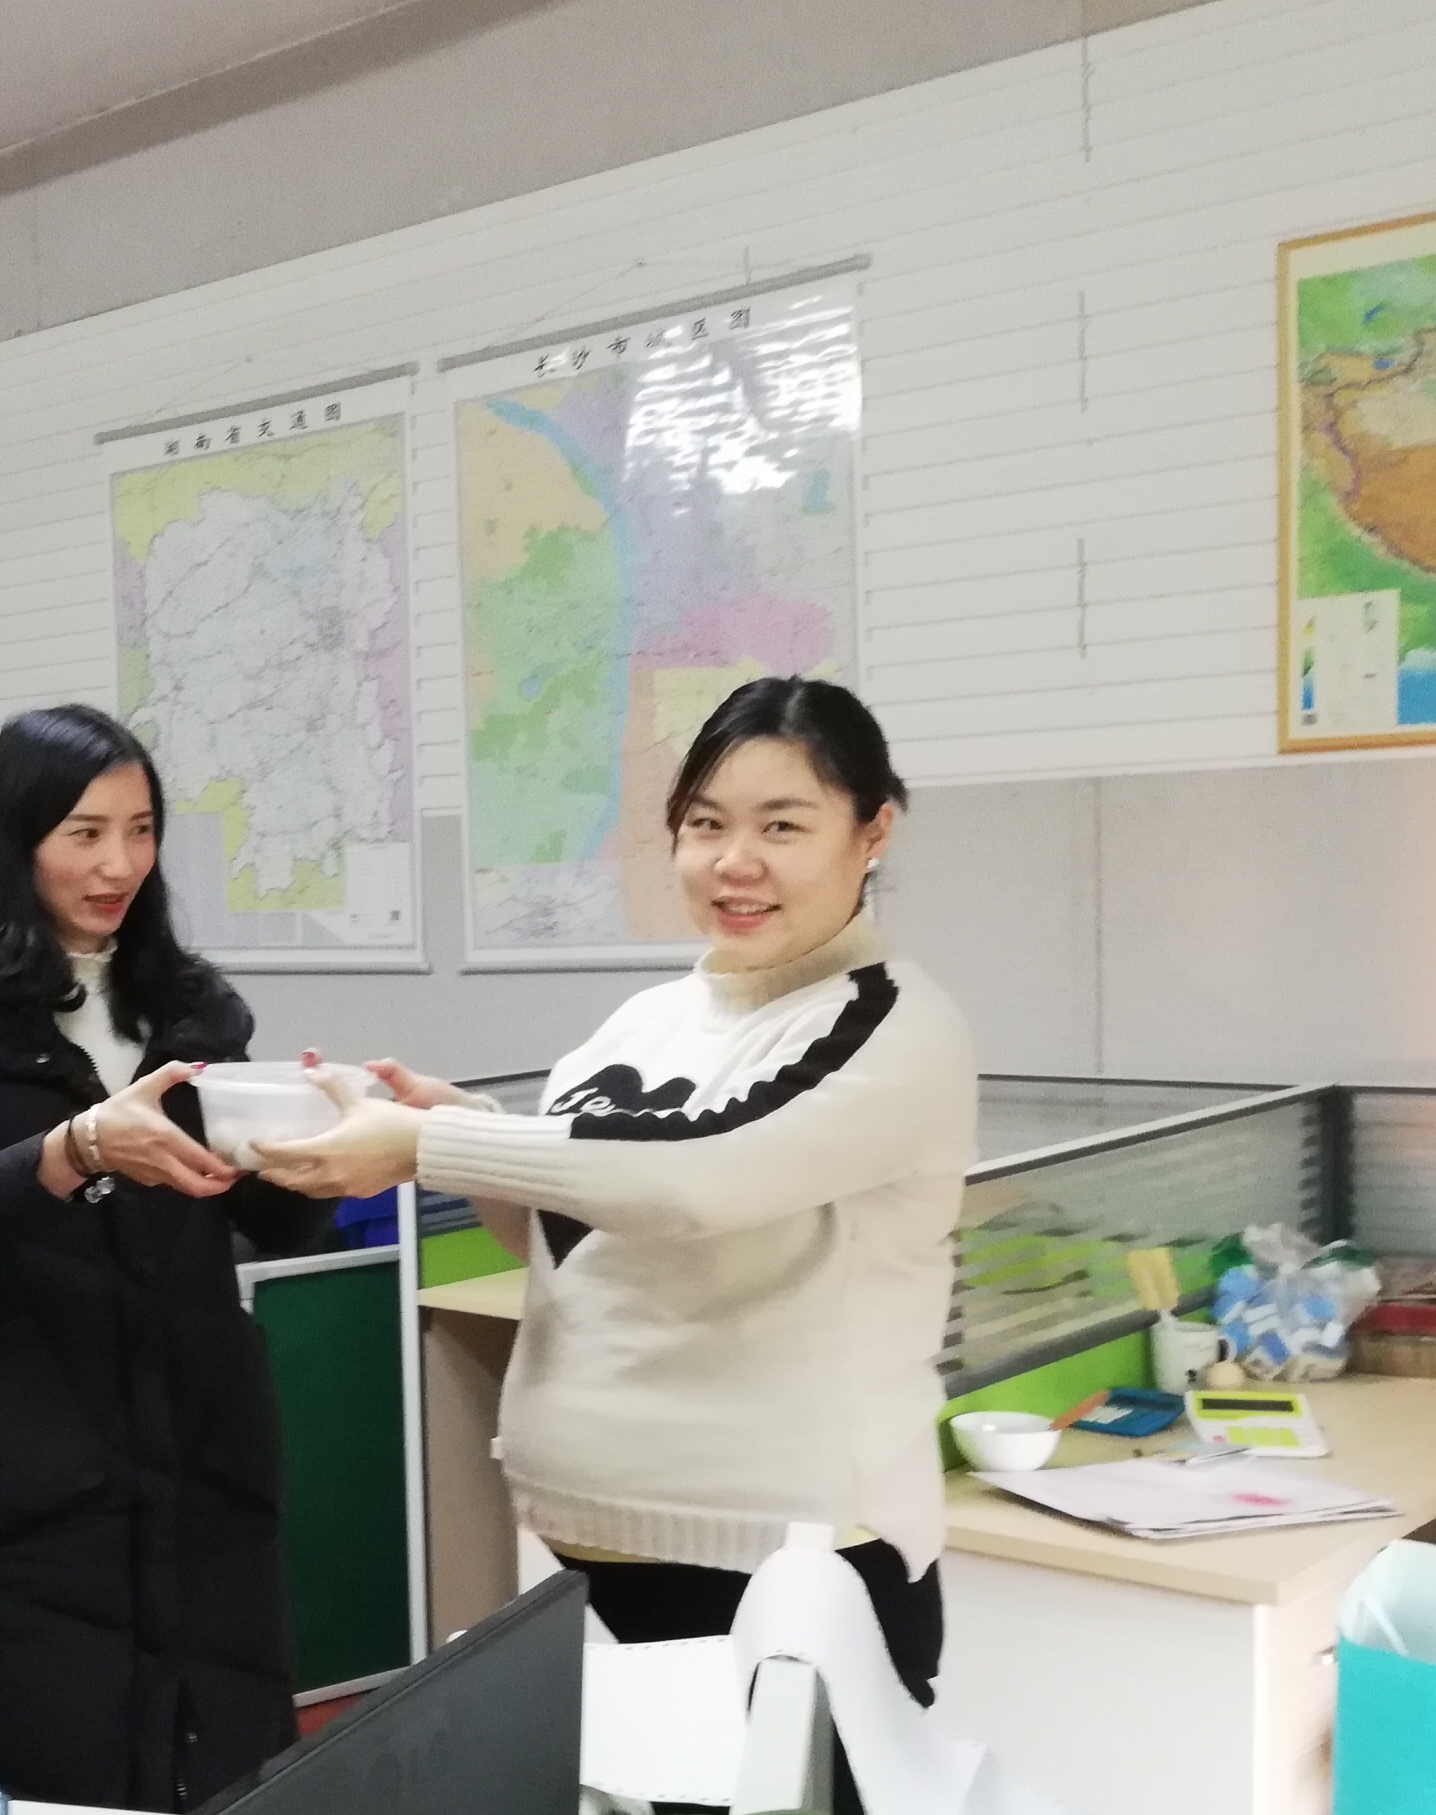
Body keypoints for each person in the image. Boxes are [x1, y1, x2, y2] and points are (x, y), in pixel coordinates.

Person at [257, 676, 977, 1700]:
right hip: (595, 1555)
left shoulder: (893, 1023)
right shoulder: (646, 1021)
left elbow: (695, 1181)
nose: (735, 861)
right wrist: (466, 1125)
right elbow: (568, 1239)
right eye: (705, 824)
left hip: (795, 1570)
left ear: (872, 834)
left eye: (782, 825)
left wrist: (433, 1144)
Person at [0, 704, 337, 1810]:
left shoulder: (193, 1007)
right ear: (18, 841)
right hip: (24, 1510)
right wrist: (69, 1151)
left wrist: (317, 1156)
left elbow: (271, 1228)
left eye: (140, 829)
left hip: (201, 1490)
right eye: (83, 833)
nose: (118, 864)